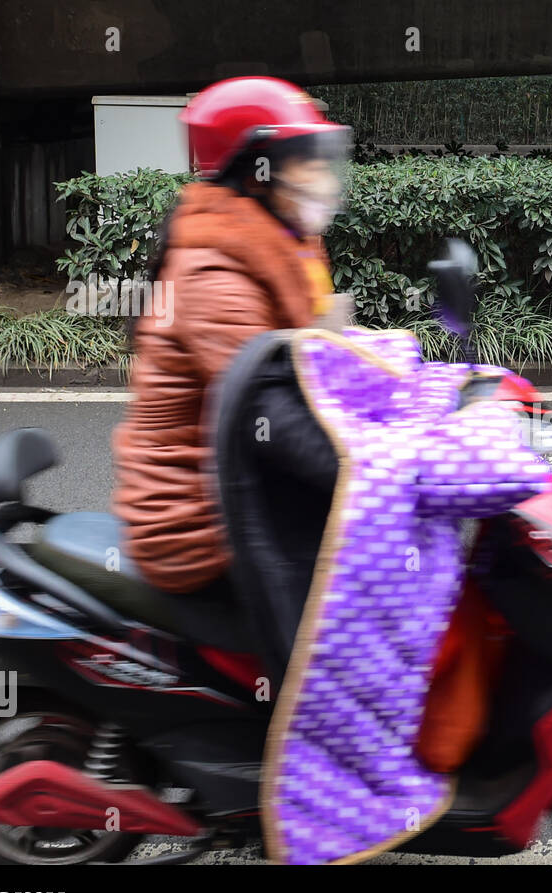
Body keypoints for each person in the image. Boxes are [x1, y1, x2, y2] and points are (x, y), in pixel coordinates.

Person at [111, 76, 352, 603]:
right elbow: (279, 418)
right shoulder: (214, 277)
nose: (323, 178)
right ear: (255, 173)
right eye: (305, 160)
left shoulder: (285, 249)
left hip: (246, 493)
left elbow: (332, 363)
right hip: (196, 531)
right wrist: (399, 477)